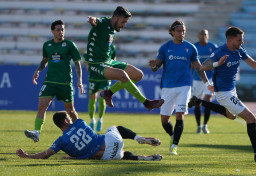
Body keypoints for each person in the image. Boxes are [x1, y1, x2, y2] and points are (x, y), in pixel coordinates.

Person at [190, 26, 256, 165]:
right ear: (230, 39)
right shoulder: (220, 51)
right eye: (239, 39)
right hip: (223, 93)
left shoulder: (239, 50)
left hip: (231, 91)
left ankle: (199, 102)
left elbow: (252, 63)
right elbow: (203, 66)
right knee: (251, 118)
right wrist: (218, 63)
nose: (242, 42)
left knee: (231, 116)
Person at [149, 20, 213, 155]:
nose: (181, 33)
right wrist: (153, 66)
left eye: (183, 31)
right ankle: (173, 135)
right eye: (178, 31)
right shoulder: (165, 48)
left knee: (179, 115)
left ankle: (174, 146)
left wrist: (207, 83)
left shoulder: (191, 48)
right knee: (164, 120)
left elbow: (198, 68)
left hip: (184, 86)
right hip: (167, 87)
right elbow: (156, 67)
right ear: (172, 32)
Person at [86, 6, 164, 111]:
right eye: (123, 21)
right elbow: (95, 21)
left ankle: (108, 93)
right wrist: (92, 20)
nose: (124, 25)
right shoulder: (103, 22)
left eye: (126, 22)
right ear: (116, 17)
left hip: (107, 61)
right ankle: (147, 103)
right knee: (122, 75)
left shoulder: (112, 28)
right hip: (95, 64)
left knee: (138, 75)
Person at [24, 20, 85, 142]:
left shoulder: (69, 44)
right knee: (42, 106)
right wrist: (38, 71)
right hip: (50, 82)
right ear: (52, 31)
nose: (61, 32)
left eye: (62, 29)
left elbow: (77, 63)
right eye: (58, 30)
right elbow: (45, 60)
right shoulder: (47, 45)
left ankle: (79, 132)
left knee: (71, 111)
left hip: (65, 83)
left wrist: (79, 80)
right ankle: (36, 133)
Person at [17, 111, 162, 161]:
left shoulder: (61, 141)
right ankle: (138, 138)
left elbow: (45, 155)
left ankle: (139, 157)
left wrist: (26, 156)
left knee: (117, 153)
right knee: (114, 127)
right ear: (67, 120)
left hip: (108, 156)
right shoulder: (80, 122)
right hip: (113, 141)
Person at [83, 44, 116, 132]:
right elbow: (85, 59)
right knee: (92, 100)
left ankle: (100, 119)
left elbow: (113, 60)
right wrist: (86, 65)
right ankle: (92, 120)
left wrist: (111, 67)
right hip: (93, 77)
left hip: (104, 78)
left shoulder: (111, 47)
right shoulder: (92, 45)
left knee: (102, 99)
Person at [190, 29, 218, 134]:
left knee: (208, 100)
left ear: (208, 36)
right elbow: (190, 63)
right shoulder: (194, 47)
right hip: (197, 78)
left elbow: (217, 61)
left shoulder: (213, 47)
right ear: (198, 36)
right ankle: (198, 125)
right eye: (201, 34)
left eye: (205, 34)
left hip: (210, 78)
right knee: (197, 102)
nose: (203, 36)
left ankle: (205, 125)